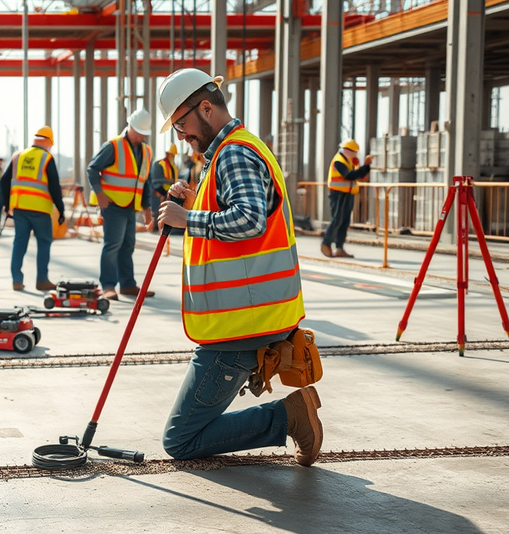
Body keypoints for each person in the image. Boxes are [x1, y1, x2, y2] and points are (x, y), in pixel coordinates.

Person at [154, 68, 322, 467]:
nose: (180, 135)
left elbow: (248, 220)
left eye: (181, 123)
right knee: (185, 433)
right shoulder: (239, 149)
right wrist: (196, 202)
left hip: (241, 327)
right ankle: (289, 415)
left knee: (180, 441)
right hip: (251, 316)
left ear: (206, 108)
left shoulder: (233, 153)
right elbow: (245, 212)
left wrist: (187, 219)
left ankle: (288, 416)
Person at [87, 108, 156, 301]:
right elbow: (92, 169)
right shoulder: (113, 146)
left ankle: (127, 285)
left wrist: (147, 208)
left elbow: (145, 180)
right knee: (113, 245)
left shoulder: (146, 151)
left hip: (131, 206)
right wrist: (99, 194)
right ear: (130, 127)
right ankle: (108, 286)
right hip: (113, 205)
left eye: (145, 134)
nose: (142, 136)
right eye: (139, 132)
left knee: (128, 245)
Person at [0, 126, 65, 292]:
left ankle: (17, 281)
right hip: (40, 209)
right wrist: (61, 210)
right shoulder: (46, 158)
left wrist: (7, 205)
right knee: (44, 243)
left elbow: (3, 182)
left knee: (19, 243)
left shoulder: (18, 156)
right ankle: (42, 280)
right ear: (49, 142)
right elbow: (54, 187)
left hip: (20, 207)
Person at [321, 139, 373, 258]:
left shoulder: (349, 162)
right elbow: (349, 176)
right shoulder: (339, 161)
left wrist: (365, 166)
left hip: (347, 193)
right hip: (338, 194)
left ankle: (339, 248)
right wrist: (364, 166)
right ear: (348, 151)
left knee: (344, 221)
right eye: (355, 152)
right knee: (337, 219)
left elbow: (359, 176)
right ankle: (326, 243)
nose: (356, 154)